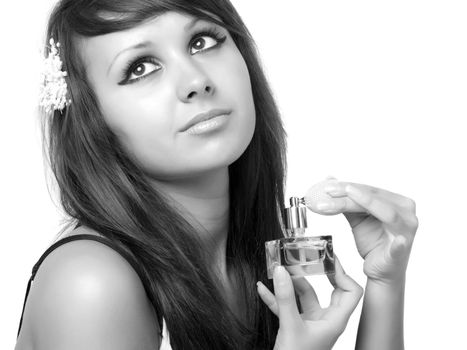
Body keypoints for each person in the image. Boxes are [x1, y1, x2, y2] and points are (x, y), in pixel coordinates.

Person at [15, 0, 419, 349]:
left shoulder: (248, 256)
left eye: (201, 41)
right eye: (140, 68)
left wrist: (384, 281)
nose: (195, 82)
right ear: (93, 120)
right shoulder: (92, 285)